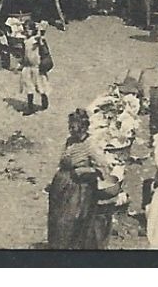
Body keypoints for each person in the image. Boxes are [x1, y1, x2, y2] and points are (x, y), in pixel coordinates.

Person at [45, 107, 118, 250]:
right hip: (61, 187)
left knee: (69, 222)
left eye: (73, 127)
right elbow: (62, 162)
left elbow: (104, 168)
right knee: (56, 220)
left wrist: (84, 170)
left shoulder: (90, 145)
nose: (70, 129)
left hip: (78, 191)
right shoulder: (70, 141)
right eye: (70, 126)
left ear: (83, 127)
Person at [19, 17, 49, 114]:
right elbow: (24, 53)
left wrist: (41, 40)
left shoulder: (36, 40)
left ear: (33, 30)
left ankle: (44, 99)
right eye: (25, 30)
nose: (27, 31)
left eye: (29, 29)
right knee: (28, 86)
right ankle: (30, 107)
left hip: (36, 67)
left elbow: (44, 49)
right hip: (27, 67)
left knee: (39, 85)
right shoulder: (25, 41)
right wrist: (21, 63)